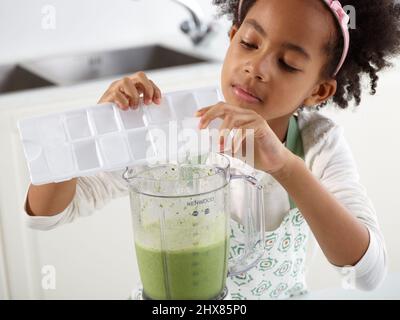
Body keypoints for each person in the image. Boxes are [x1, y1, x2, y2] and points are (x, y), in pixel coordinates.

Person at [25, 0, 400, 299]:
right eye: (249, 44)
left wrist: (285, 166)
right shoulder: (175, 125)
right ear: (233, 37)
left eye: (287, 64)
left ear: (318, 91)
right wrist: (91, 131)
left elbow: (366, 273)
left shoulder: (317, 144)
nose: (256, 67)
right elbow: (48, 214)